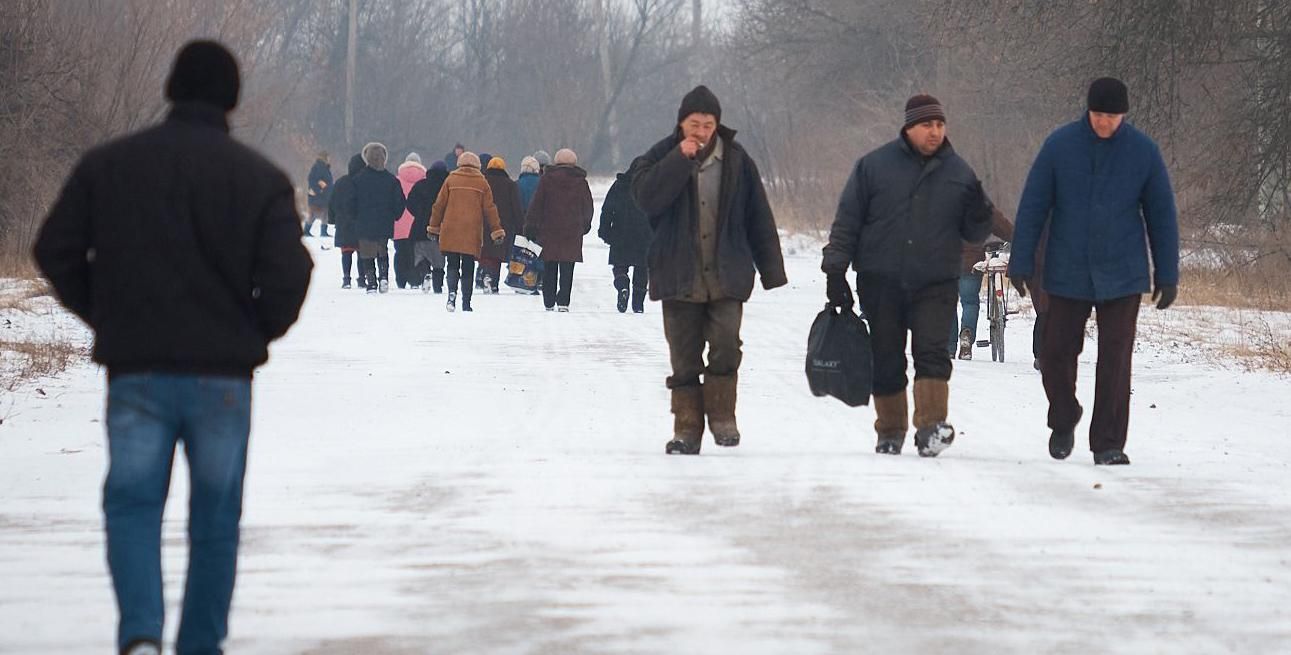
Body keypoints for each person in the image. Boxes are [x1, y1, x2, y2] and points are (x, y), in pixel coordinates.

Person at [32, 41, 312, 655]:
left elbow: (53, 248)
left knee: (132, 505)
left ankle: (139, 634)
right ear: (232, 98)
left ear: (170, 88)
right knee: (216, 518)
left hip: (138, 372)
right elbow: (291, 274)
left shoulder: (109, 166)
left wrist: (106, 315)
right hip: (223, 378)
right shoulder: (260, 180)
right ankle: (200, 644)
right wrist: (251, 331)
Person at [1007, 77, 1179, 465]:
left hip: (1124, 272)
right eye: (1099, 115)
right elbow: (1033, 205)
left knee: (1116, 358)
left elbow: (1162, 215)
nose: (1105, 123)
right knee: (1054, 351)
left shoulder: (1142, 152)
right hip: (1067, 268)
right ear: (1088, 111)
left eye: (1113, 116)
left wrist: (1167, 272)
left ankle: (1108, 442)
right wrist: (1020, 261)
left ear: (1124, 115)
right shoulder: (1060, 146)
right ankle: (1064, 415)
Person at [821, 94, 993, 458]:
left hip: (936, 280)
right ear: (909, 127)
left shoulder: (959, 172)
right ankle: (890, 430)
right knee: (887, 355)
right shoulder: (873, 167)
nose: (934, 132)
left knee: (932, 351)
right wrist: (835, 269)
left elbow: (974, 232)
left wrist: (980, 212)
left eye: (939, 125)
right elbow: (847, 222)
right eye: (927, 125)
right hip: (881, 278)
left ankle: (930, 427)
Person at [630, 85, 787, 455]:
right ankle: (686, 428)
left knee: (726, 346)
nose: (700, 132)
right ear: (681, 123)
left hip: (726, 273)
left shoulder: (736, 159)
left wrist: (771, 270)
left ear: (717, 124)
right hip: (677, 273)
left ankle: (722, 417)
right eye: (694, 124)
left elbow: (758, 215)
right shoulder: (658, 155)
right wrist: (677, 161)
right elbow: (646, 198)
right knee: (683, 357)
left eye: (708, 124)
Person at [429, 151, 506, 312]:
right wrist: (496, 230)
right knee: (468, 265)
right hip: (471, 230)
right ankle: (466, 301)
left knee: (452, 263)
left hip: (451, 228)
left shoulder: (451, 179)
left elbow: (439, 205)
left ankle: (451, 295)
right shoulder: (482, 182)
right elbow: (490, 209)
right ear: (478, 165)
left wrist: (434, 227)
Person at [523, 148, 594, 312]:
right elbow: (588, 206)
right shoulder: (581, 182)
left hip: (549, 229)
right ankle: (563, 302)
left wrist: (531, 226)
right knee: (567, 267)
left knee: (550, 266)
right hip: (572, 230)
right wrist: (584, 225)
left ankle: (549, 301)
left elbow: (537, 204)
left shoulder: (547, 179)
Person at [950, 207, 1014, 360]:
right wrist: (1015, 237)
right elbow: (997, 221)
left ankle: (949, 347)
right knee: (970, 301)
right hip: (971, 261)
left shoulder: (941, 197)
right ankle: (967, 338)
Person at [349, 141, 405, 293]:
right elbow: (400, 202)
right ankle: (384, 277)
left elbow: (351, 202)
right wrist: (395, 215)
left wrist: (354, 217)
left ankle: (371, 281)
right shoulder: (391, 180)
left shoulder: (357, 180)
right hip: (384, 221)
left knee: (366, 252)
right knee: (382, 248)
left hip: (364, 221)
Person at [598, 168, 653, 313]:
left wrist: (604, 230)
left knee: (619, 266)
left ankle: (622, 286)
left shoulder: (619, 185)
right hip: (646, 234)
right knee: (642, 269)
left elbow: (607, 209)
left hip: (620, 233)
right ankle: (638, 305)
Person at [481, 157, 524, 293]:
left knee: (485, 252)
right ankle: (493, 283)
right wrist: (520, 226)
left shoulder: (482, 182)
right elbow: (516, 207)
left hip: (483, 221)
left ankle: (486, 274)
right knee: (497, 254)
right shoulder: (510, 184)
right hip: (503, 223)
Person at [406, 160, 450, 293]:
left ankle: (425, 272)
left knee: (420, 256)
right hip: (440, 229)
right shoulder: (447, 187)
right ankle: (438, 287)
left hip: (420, 227)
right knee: (439, 261)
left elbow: (410, 204)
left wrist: (419, 214)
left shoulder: (420, 185)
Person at [329, 153, 366, 288]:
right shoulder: (364, 182)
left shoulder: (341, 182)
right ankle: (362, 278)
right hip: (361, 222)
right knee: (362, 253)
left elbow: (332, 202)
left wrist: (332, 219)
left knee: (346, 252)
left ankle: (346, 278)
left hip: (343, 223)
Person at [394, 152, 427, 289]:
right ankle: (416, 280)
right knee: (417, 253)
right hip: (418, 224)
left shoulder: (396, 180)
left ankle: (401, 280)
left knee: (400, 253)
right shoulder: (425, 181)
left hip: (399, 224)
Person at [305, 150, 333, 237]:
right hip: (318, 196)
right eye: (328, 157)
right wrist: (318, 190)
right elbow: (312, 180)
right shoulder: (318, 167)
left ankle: (322, 231)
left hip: (323, 196)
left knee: (324, 213)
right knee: (314, 214)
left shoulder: (324, 167)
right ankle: (308, 230)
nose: (329, 159)